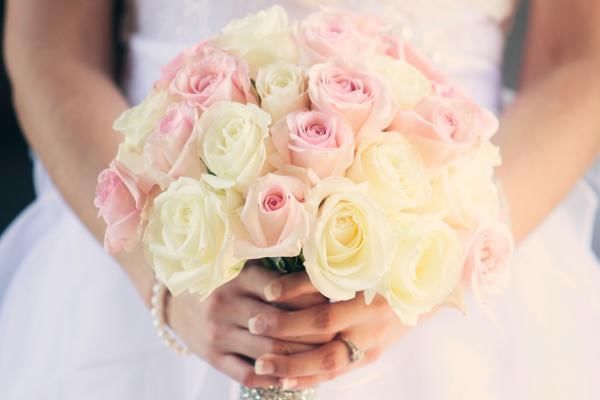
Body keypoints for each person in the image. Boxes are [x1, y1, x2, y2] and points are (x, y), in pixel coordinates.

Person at [1, 0, 599, 399]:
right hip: (142, 252)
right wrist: (163, 275)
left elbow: (581, 60)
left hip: (471, 269)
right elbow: (51, 48)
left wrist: (442, 259)